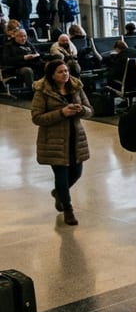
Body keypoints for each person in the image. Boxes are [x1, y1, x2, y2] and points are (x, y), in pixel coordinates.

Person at [31, 59, 92, 226]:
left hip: (75, 137)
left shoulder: (75, 87)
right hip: (54, 140)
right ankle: (68, 209)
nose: (65, 74)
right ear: (52, 75)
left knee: (77, 172)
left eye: (66, 71)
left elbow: (90, 110)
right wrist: (61, 113)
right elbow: (37, 118)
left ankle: (58, 193)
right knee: (61, 175)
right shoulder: (42, 91)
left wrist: (81, 110)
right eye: (60, 71)